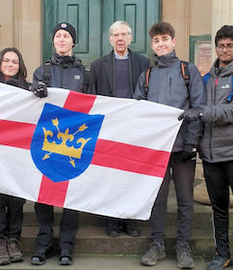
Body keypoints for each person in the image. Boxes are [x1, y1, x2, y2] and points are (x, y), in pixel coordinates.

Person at [179, 25, 233, 270]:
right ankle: (222, 254)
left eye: (230, 45)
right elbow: (195, 112)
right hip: (210, 155)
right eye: (220, 45)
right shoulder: (207, 78)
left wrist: (203, 112)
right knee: (218, 208)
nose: (224, 49)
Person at [134, 22, 206, 269]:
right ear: (152, 45)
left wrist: (191, 143)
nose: (161, 44)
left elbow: (199, 107)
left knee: (185, 199)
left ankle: (183, 245)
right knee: (158, 199)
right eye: (156, 40)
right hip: (157, 150)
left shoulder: (189, 71)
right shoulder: (147, 76)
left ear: (173, 41)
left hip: (183, 148)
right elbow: (138, 111)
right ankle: (157, 244)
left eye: (165, 39)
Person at [30, 22, 90, 266]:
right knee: (43, 196)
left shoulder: (85, 74)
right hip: (46, 143)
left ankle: (66, 246)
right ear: (53, 41)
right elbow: (30, 108)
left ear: (73, 42)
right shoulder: (40, 72)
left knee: (71, 197)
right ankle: (44, 243)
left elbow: (93, 107)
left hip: (74, 144)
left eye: (66, 36)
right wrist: (34, 91)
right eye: (58, 36)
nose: (62, 39)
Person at [89, 20, 150, 238]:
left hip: (134, 128)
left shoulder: (144, 63)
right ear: (110, 39)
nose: (120, 38)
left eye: (125, 34)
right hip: (110, 128)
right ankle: (112, 221)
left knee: (132, 176)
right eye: (116, 35)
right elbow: (94, 96)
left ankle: (130, 221)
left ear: (131, 38)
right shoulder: (97, 65)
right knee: (110, 176)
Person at [0, 47, 30, 266]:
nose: (11, 64)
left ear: (20, 65)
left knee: (16, 199)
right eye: (7, 61)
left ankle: (13, 239)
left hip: (20, 153)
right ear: (0, 63)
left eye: (15, 61)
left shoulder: (29, 89)